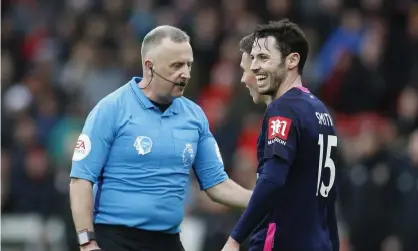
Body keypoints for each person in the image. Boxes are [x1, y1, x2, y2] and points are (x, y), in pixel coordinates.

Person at [69, 25, 252, 251]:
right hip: (115, 239)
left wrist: (263, 199)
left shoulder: (194, 117)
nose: (185, 73)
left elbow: (218, 185)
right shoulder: (111, 109)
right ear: (150, 66)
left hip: (168, 240)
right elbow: (80, 180)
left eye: (188, 64)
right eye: (176, 65)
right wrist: (87, 242)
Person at [222, 20, 340, 251]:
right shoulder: (320, 111)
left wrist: (235, 238)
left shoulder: (283, 108)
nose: (254, 67)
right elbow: (329, 197)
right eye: (253, 58)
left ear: (292, 61)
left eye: (263, 58)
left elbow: (273, 179)